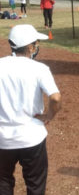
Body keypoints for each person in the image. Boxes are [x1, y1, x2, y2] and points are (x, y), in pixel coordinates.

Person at [0, 24, 62, 195]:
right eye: (35, 43)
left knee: (3, 182)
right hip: (31, 137)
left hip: (2, 139)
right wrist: (49, 115)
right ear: (29, 47)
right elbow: (55, 97)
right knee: (35, 185)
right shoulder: (40, 69)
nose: (37, 46)